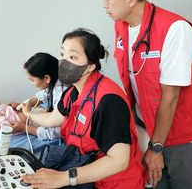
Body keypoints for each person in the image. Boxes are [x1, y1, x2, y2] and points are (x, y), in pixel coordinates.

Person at [102, 0, 192, 188]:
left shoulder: (175, 30)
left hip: (184, 133)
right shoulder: (122, 25)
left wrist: (157, 148)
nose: (104, 4)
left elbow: (171, 96)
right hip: (148, 126)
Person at [19, 28, 145, 188]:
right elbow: (52, 119)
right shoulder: (72, 93)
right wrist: (28, 113)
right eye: (62, 54)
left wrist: (64, 178)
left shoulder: (108, 101)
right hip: (84, 170)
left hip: (112, 183)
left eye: (72, 57)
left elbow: (119, 160)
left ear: (91, 66)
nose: (64, 62)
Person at [7, 52, 69, 141]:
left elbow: (55, 130)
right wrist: (24, 104)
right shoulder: (57, 80)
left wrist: (24, 127)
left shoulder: (63, 95)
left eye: (32, 80)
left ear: (47, 78)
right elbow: (44, 93)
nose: (31, 83)